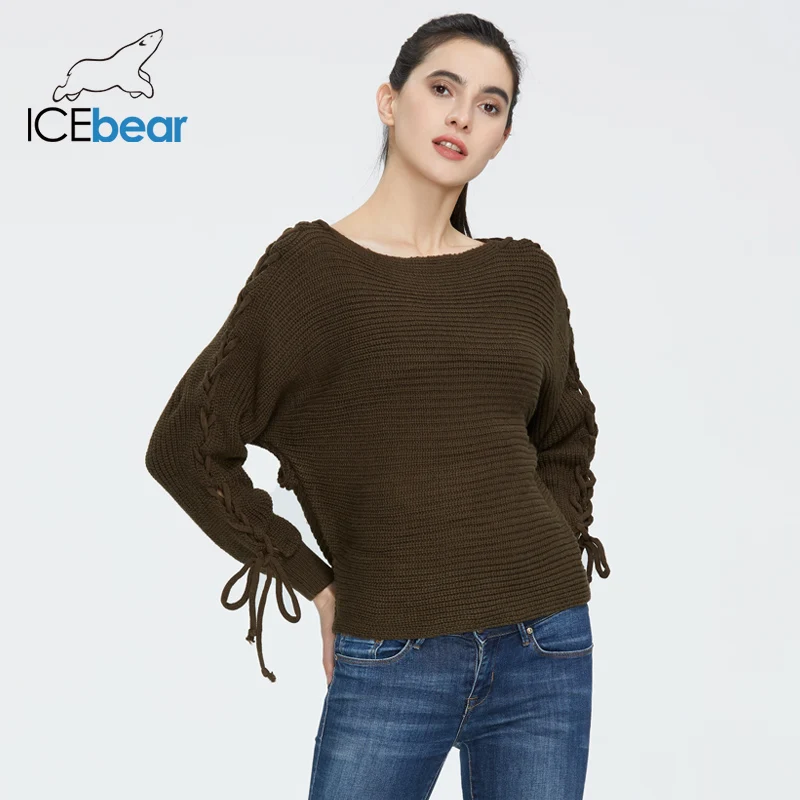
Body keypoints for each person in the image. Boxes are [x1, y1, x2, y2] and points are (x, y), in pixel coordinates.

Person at [145, 12, 610, 800]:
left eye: (490, 105)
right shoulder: (311, 271)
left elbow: (565, 434)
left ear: (501, 137)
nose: (463, 117)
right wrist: (315, 583)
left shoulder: (524, 277)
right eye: (443, 89)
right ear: (391, 101)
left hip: (546, 645)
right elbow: (186, 446)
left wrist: (547, 554)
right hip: (393, 649)